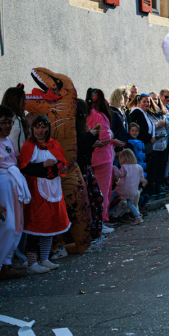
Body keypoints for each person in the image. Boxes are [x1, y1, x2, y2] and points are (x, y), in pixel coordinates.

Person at [0, 105, 31, 281]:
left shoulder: (9, 140)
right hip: (0, 186)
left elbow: (14, 162)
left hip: (14, 185)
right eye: (3, 122)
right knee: (5, 225)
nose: (8, 126)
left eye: (10, 122)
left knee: (17, 226)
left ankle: (6, 264)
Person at [19, 115, 70, 273]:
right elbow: (24, 168)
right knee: (36, 225)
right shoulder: (28, 145)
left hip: (53, 188)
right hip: (37, 189)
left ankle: (45, 258)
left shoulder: (54, 144)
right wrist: (42, 165)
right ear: (32, 129)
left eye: (43, 127)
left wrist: (62, 167)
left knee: (50, 223)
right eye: (37, 127)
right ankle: (32, 263)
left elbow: (63, 163)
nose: (40, 131)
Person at [87, 89, 121, 227]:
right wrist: (110, 141)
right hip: (103, 159)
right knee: (103, 190)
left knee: (90, 191)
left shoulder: (86, 114)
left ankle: (92, 222)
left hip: (89, 158)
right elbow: (105, 138)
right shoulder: (101, 116)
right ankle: (101, 221)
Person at [74, 98, 104, 247]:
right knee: (89, 201)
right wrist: (91, 135)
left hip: (86, 167)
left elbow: (83, 146)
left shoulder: (78, 126)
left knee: (96, 199)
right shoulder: (72, 127)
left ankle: (94, 232)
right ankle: (87, 235)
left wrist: (92, 142)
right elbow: (78, 145)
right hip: (80, 168)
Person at [111, 148, 146, 221]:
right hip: (133, 191)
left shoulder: (124, 167)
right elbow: (141, 179)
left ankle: (109, 211)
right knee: (130, 204)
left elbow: (119, 174)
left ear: (124, 158)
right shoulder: (139, 167)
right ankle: (137, 217)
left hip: (122, 190)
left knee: (111, 194)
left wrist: (114, 168)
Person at [146, 96, 169, 195]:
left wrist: (166, 122)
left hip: (163, 144)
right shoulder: (147, 114)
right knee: (153, 169)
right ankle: (151, 189)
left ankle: (159, 187)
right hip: (154, 146)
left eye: (156, 99)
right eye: (153, 99)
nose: (155, 101)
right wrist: (157, 124)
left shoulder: (162, 113)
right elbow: (149, 125)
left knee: (161, 168)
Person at [1, 85, 29, 156]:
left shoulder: (2, 118)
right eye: (23, 99)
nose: (26, 102)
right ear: (16, 101)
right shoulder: (15, 121)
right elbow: (17, 149)